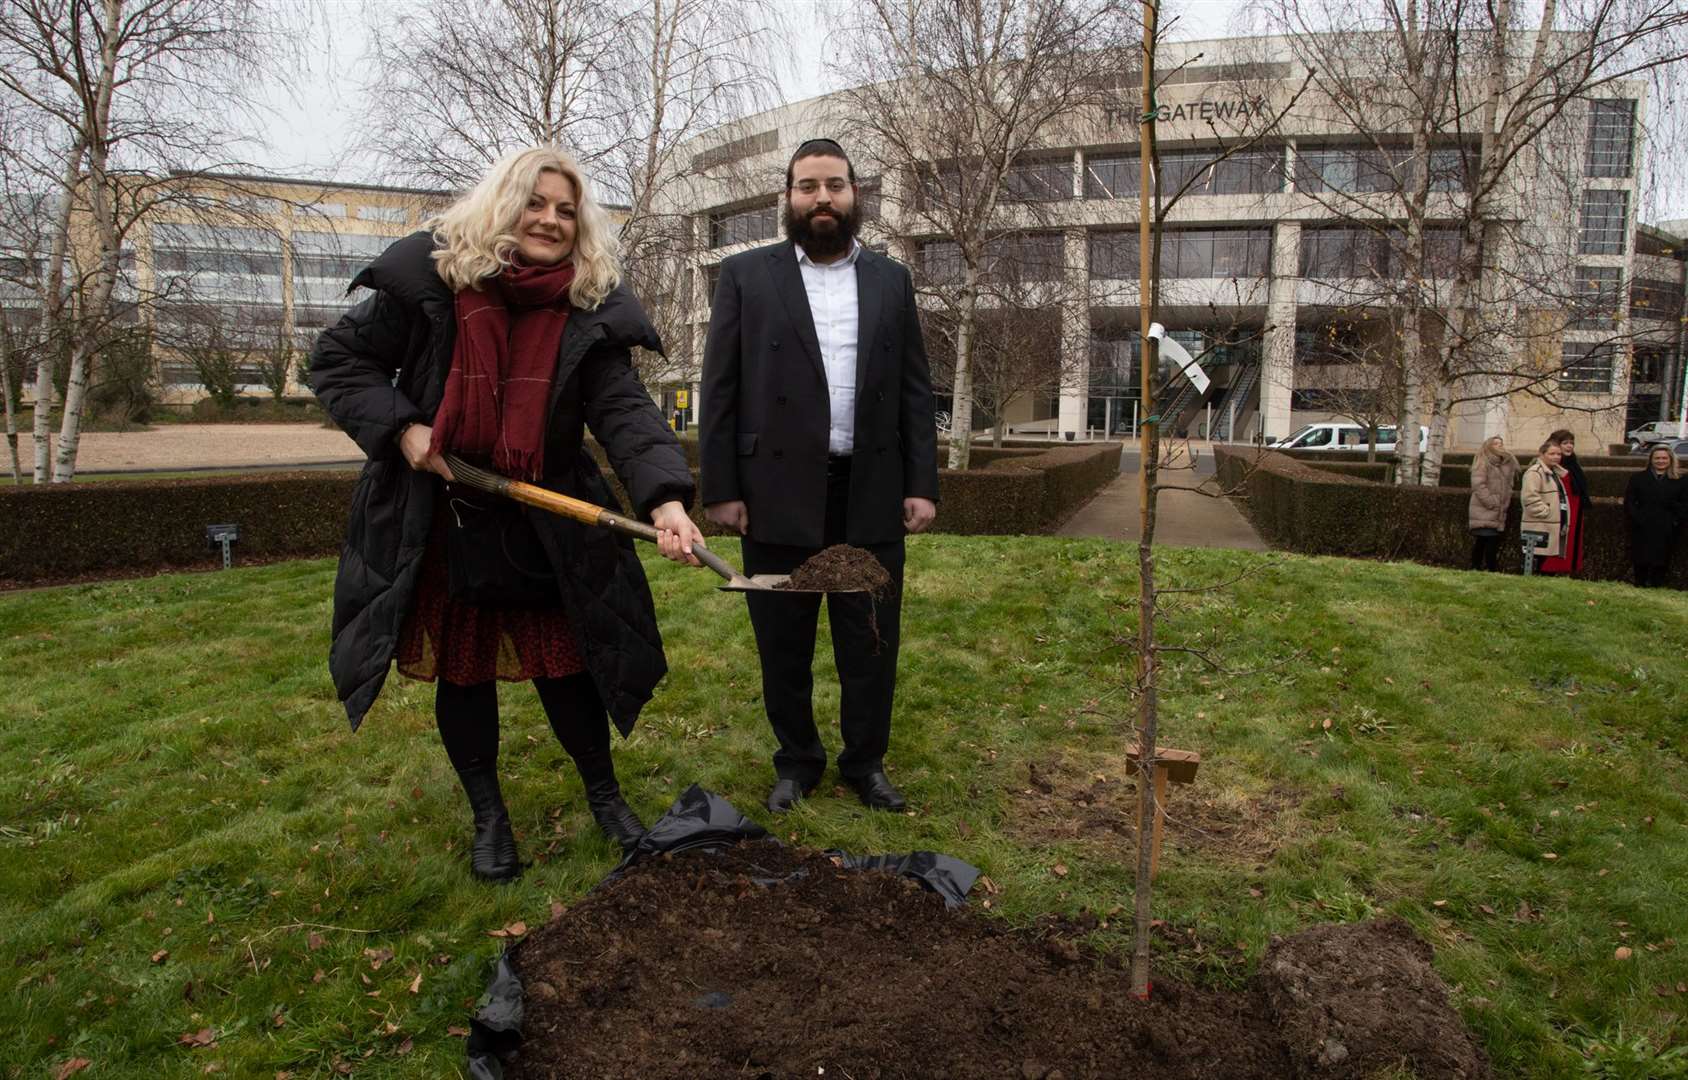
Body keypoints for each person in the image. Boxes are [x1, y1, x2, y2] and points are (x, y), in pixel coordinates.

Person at [309, 147, 705, 882]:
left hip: (543, 521)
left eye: (566, 210)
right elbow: (337, 360)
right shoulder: (431, 283)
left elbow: (624, 412)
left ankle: (605, 795)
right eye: (537, 203)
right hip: (442, 515)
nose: (551, 220)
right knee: (465, 673)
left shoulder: (586, 306)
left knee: (567, 664)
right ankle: (489, 815)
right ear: (505, 203)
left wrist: (668, 499)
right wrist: (404, 430)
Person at [699, 137, 939, 814]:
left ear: (855, 194)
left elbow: (916, 391)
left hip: (870, 490)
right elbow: (719, 388)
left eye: (834, 185)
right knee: (784, 642)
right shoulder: (745, 276)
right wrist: (720, 488)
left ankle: (866, 764)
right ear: (788, 197)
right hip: (774, 491)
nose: (822, 198)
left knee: (870, 640)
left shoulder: (892, 279)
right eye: (808, 186)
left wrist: (922, 482)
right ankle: (797, 762)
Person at [1623, 444, 1685, 587]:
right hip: (1642, 524)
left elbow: (1684, 504)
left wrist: (1674, 521)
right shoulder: (1638, 478)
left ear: (1670, 460)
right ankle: (1640, 583)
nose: (1660, 461)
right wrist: (1637, 518)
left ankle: (1657, 584)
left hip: (1666, 526)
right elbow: (1630, 502)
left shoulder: (1680, 480)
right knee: (1640, 556)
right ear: (1651, 460)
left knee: (1662, 557)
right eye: (1657, 458)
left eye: (1664, 458)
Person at [1466, 435, 1518, 571]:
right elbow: (1478, 485)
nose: (1499, 446)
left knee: (1487, 540)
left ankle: (1480, 567)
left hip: (1499, 509)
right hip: (1485, 508)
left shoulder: (1506, 463)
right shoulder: (1483, 462)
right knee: (1486, 540)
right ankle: (1486, 568)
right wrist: (1492, 502)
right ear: (1488, 446)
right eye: (1495, 443)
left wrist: (1504, 502)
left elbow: (1509, 485)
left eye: (1501, 443)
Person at [1519, 440, 1569, 575]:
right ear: (1542, 454)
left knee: (1545, 560)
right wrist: (1546, 511)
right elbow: (1529, 497)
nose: (1556, 457)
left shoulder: (1555, 473)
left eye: (1559, 454)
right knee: (1535, 560)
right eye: (1552, 454)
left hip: (1551, 525)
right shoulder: (1535, 472)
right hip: (1539, 525)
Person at [1542, 429, 1587, 575]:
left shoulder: (1573, 463)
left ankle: (1565, 570)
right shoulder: (1549, 466)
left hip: (1574, 510)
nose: (1569, 446)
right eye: (1565, 443)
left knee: (1569, 545)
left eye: (1571, 443)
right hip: (1558, 511)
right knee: (1556, 544)